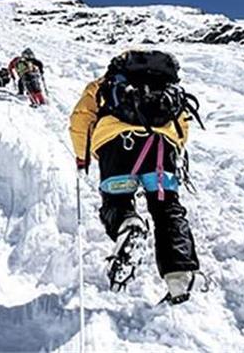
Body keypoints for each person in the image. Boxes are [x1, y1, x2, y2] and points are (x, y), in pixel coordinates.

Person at [68, 50, 203, 305]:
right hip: (162, 147)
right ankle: (179, 276)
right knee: (167, 208)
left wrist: (81, 156)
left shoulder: (104, 85)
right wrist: (174, 150)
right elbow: (181, 126)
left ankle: (127, 224)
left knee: (116, 202)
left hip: (116, 146)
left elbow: (81, 119)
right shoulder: (168, 89)